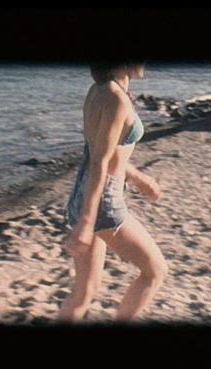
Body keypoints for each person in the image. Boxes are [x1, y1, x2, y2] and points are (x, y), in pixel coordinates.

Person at [59, 60, 168, 322]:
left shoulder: (98, 90)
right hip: (102, 203)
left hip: (82, 194)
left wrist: (139, 178)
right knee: (155, 272)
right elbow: (100, 161)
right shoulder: (117, 100)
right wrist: (87, 223)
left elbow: (99, 152)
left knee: (84, 291)